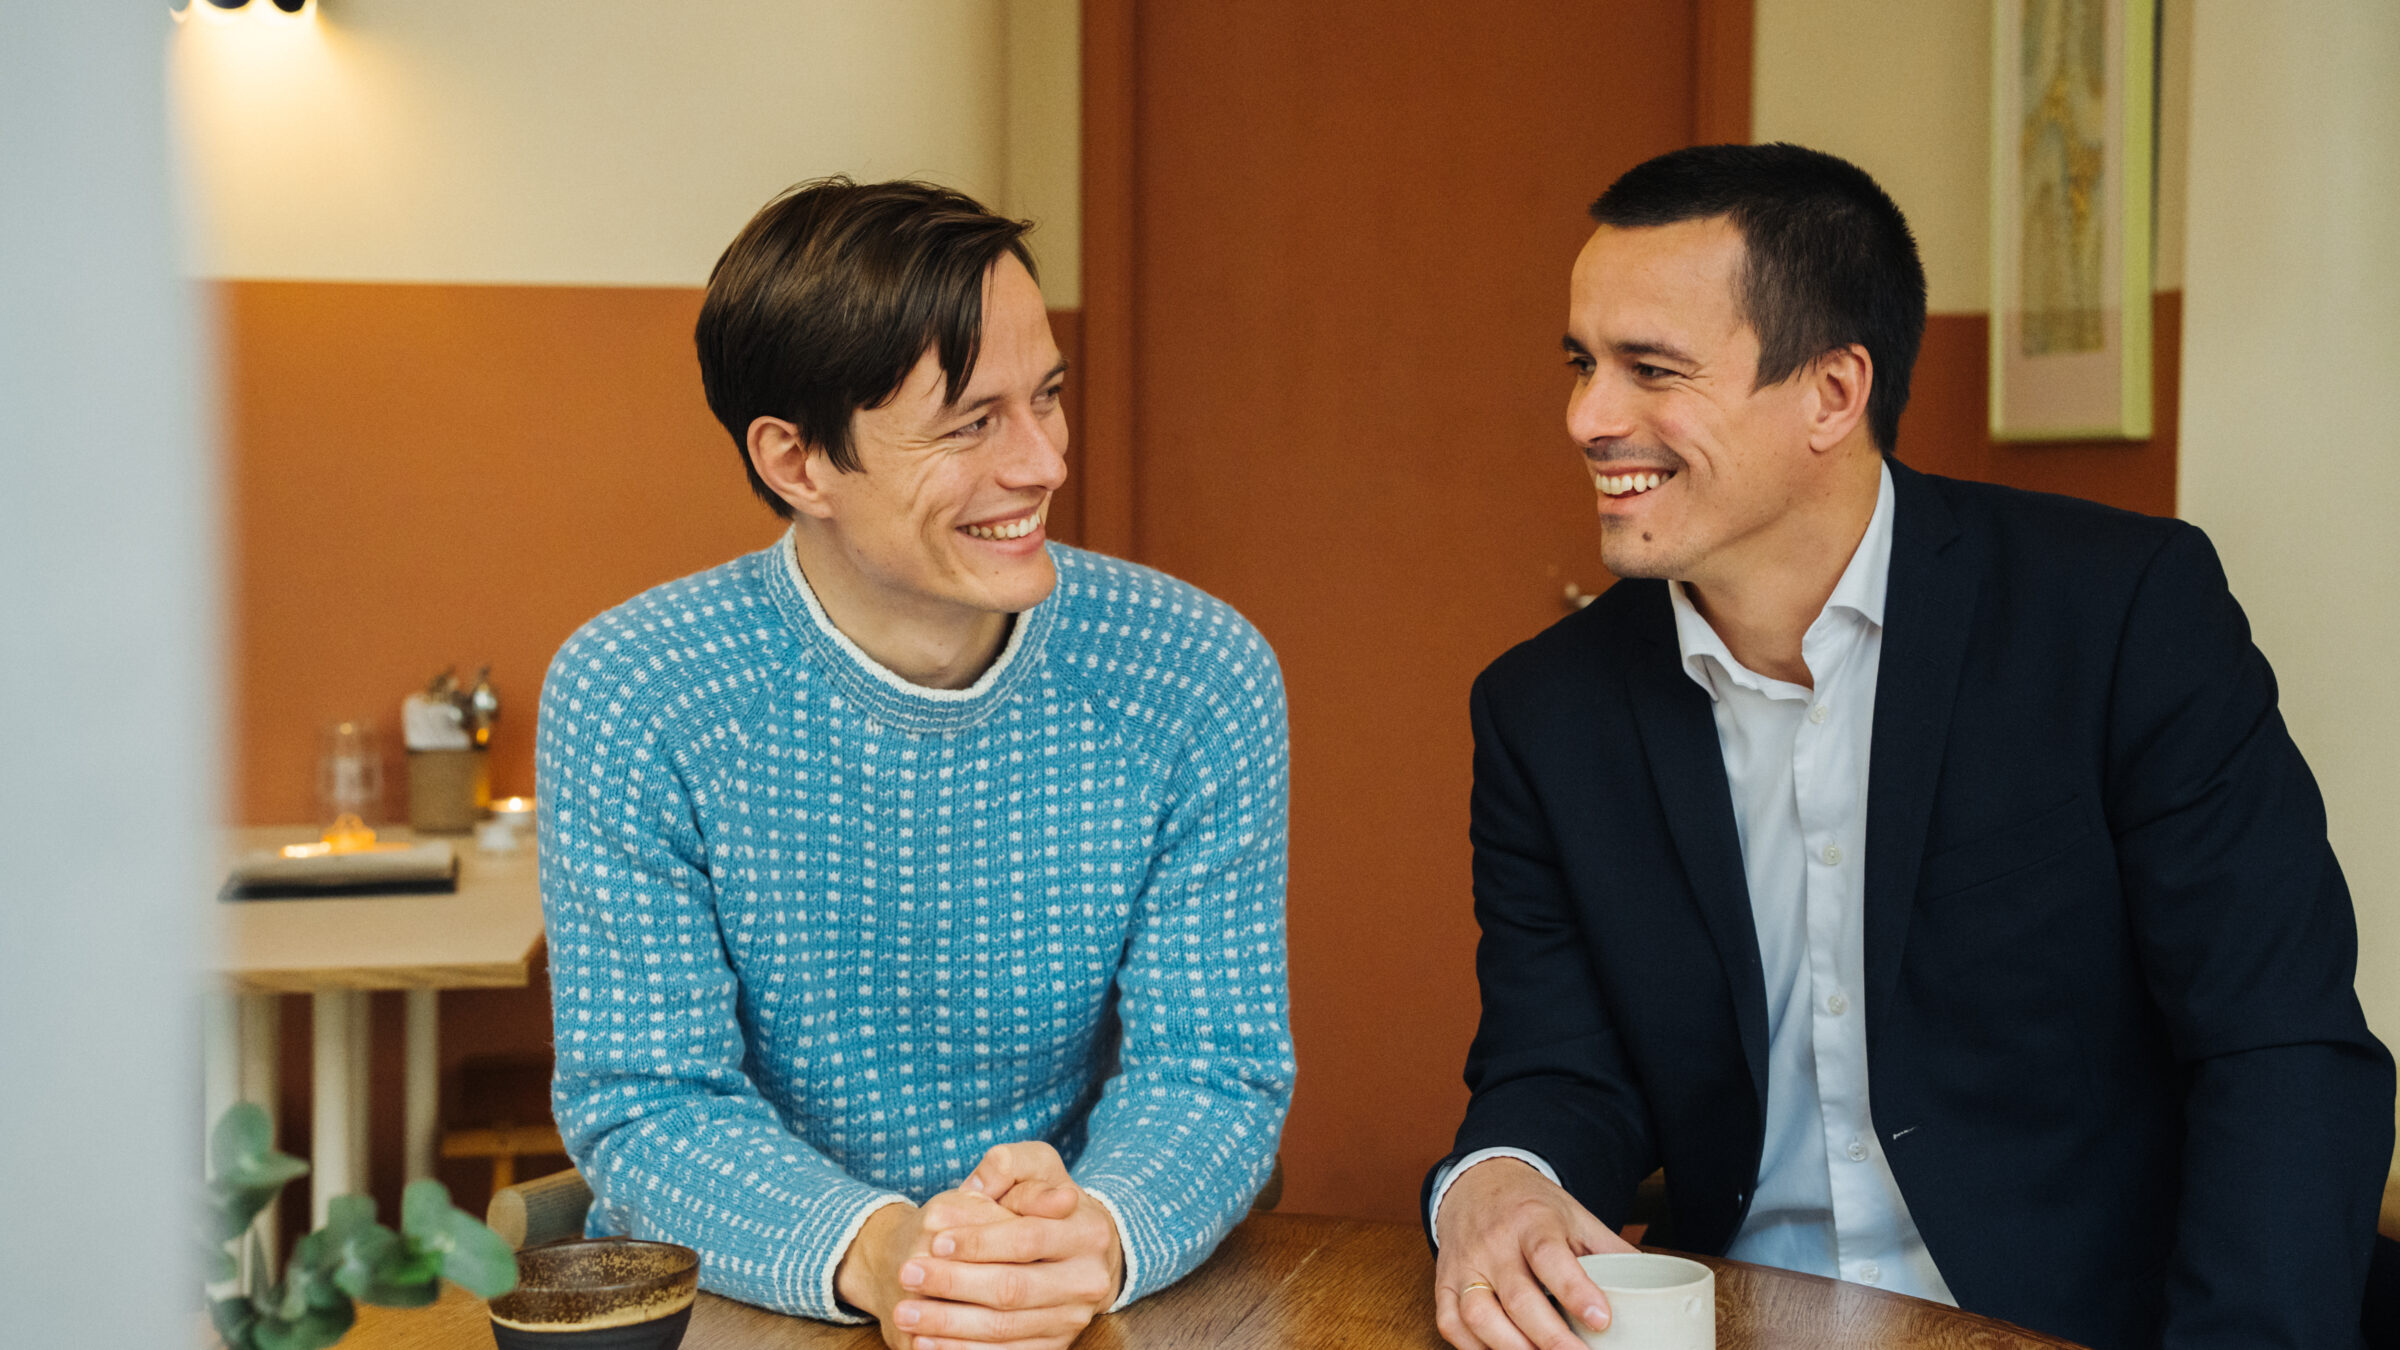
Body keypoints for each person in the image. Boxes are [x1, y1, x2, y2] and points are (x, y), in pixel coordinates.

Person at [1425, 143, 2393, 1350]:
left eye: (1650, 369)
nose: (1587, 418)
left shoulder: (2122, 615)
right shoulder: (1543, 712)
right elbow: (1558, 1069)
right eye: (1582, 364)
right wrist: (1496, 1181)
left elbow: (2280, 1047)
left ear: (1834, 392)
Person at [536, 178, 1294, 1350]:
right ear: (798, 462)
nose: (1043, 462)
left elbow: (1213, 1065)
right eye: (971, 422)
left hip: (1083, 1305)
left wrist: (1095, 1229)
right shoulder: (636, 691)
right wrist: (885, 1251)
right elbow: (647, 1102)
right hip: (753, 1309)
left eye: (1048, 397)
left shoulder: (1195, 670)